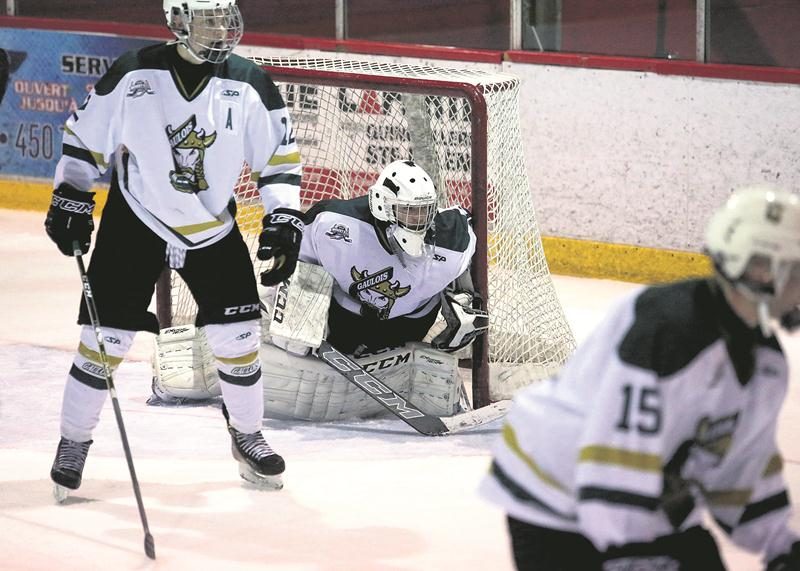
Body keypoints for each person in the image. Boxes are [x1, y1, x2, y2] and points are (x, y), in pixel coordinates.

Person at [44, 0, 303, 491]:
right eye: (210, 18)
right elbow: (85, 138)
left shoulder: (249, 81)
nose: (223, 28)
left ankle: (248, 436)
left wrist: (284, 216)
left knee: (240, 339)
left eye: (228, 16)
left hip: (212, 226)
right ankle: (73, 441)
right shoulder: (135, 72)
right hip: (136, 217)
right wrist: (71, 197)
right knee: (105, 341)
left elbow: (278, 162)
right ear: (179, 20)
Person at [480, 185, 800, 570]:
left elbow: (741, 468)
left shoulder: (766, 365)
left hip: (637, 496)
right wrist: (633, 555)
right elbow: (613, 461)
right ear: (760, 268)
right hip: (554, 494)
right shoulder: (667, 332)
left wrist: (782, 545)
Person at [150, 159, 490, 420]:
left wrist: (461, 303)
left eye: (423, 213)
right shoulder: (334, 224)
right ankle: (188, 363)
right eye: (408, 212)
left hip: (408, 326)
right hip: (345, 319)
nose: (418, 221)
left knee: (431, 374)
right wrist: (295, 312)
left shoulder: (455, 239)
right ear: (385, 205)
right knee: (288, 347)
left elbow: (464, 277)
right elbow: (298, 269)